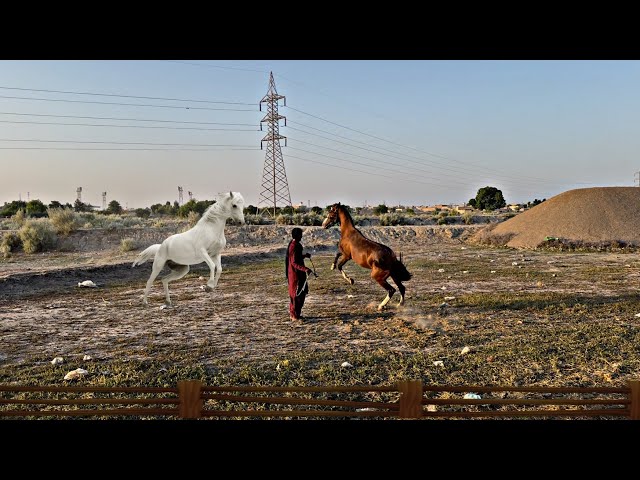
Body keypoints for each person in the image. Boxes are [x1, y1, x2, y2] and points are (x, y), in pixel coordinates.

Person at [285, 227, 313, 321]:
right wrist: (305, 269)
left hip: (299, 274)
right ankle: (294, 315)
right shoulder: (293, 246)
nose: (301, 236)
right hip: (295, 274)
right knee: (296, 295)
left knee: (301, 293)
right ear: (297, 235)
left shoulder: (297, 245)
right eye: (300, 235)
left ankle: (297, 314)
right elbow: (294, 262)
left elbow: (297, 258)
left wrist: (304, 256)